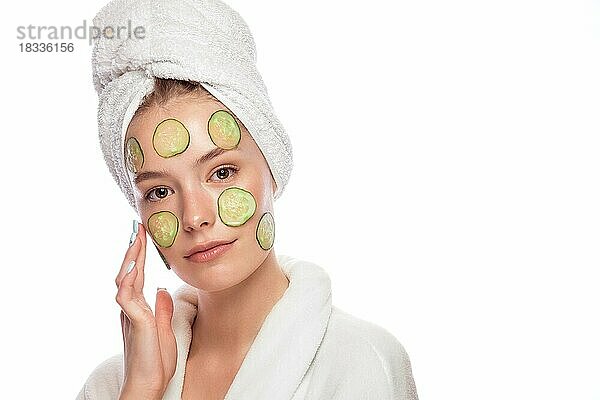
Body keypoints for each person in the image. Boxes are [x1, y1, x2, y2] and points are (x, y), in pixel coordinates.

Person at [76, 1, 418, 399]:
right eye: (159, 191)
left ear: (271, 166)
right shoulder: (110, 386)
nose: (195, 217)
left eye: (222, 172)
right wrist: (142, 389)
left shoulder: (361, 362)